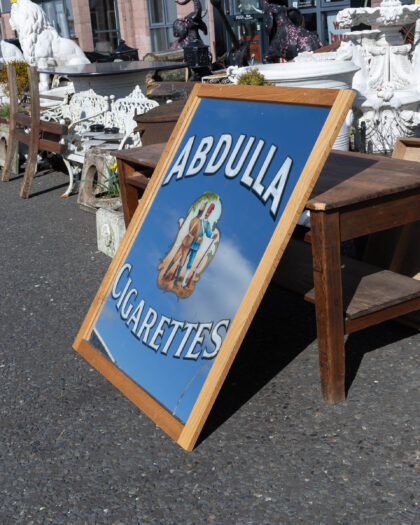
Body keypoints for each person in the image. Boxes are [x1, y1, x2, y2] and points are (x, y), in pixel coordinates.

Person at [163, 201, 206, 283]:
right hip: (189, 242)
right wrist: (199, 239)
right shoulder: (198, 223)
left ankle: (165, 273)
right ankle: (176, 280)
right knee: (182, 260)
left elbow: (190, 230)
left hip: (185, 239)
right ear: (202, 213)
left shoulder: (193, 220)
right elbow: (196, 235)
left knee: (176, 256)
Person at [179, 202, 217, 289]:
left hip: (196, 245)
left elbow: (209, 234)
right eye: (206, 213)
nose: (207, 215)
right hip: (190, 242)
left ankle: (183, 282)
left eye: (208, 214)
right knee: (183, 259)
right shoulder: (198, 220)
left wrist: (212, 236)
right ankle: (177, 276)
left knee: (190, 263)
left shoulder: (207, 224)